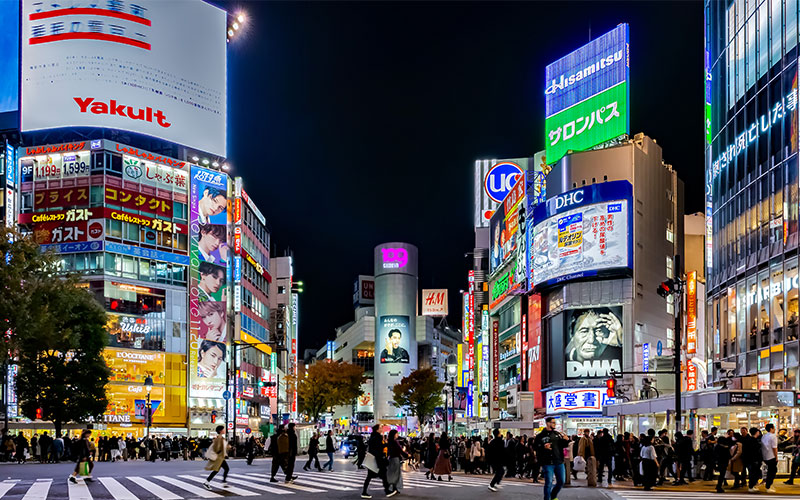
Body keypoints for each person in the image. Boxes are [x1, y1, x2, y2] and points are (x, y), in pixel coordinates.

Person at [533, 417, 569, 500]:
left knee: (561, 481)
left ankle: (553, 495)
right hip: (547, 462)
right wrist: (543, 447)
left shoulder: (557, 434)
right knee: (548, 482)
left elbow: (563, 445)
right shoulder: (540, 436)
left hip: (559, 461)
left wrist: (566, 440)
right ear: (548, 423)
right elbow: (535, 447)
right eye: (553, 422)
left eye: (555, 422)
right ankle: (547, 498)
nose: (554, 424)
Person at [362, 424, 394, 499]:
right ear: (377, 430)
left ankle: (364, 492)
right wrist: (386, 445)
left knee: (370, 476)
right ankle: (387, 491)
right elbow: (379, 448)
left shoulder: (372, 437)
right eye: (380, 428)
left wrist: (385, 444)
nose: (381, 429)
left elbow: (375, 447)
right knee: (383, 475)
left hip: (373, 458)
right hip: (378, 459)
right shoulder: (378, 437)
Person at [203, 425, 229, 490]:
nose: (224, 430)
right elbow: (216, 448)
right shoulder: (219, 438)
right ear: (220, 431)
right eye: (223, 429)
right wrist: (222, 451)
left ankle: (208, 482)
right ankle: (207, 482)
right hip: (219, 458)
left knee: (218, 470)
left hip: (220, 458)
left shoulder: (221, 438)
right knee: (222, 469)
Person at [386, 429, 408, 494]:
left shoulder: (389, 441)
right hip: (395, 458)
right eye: (397, 433)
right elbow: (400, 450)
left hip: (391, 458)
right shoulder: (395, 442)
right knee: (396, 474)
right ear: (394, 434)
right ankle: (394, 488)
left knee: (393, 473)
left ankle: (393, 487)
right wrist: (406, 455)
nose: (397, 435)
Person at [743, 427, 763, 492]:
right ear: (756, 432)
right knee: (753, 473)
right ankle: (751, 487)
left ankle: (752, 486)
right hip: (754, 460)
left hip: (750, 460)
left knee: (753, 473)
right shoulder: (753, 441)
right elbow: (754, 451)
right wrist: (756, 460)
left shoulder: (749, 440)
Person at [762, 423, 778, 493]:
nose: (774, 429)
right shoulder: (773, 436)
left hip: (765, 456)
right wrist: (776, 457)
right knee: (772, 472)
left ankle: (768, 485)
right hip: (771, 456)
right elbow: (774, 448)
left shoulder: (764, 436)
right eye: (774, 428)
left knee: (769, 472)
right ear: (771, 429)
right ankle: (768, 486)